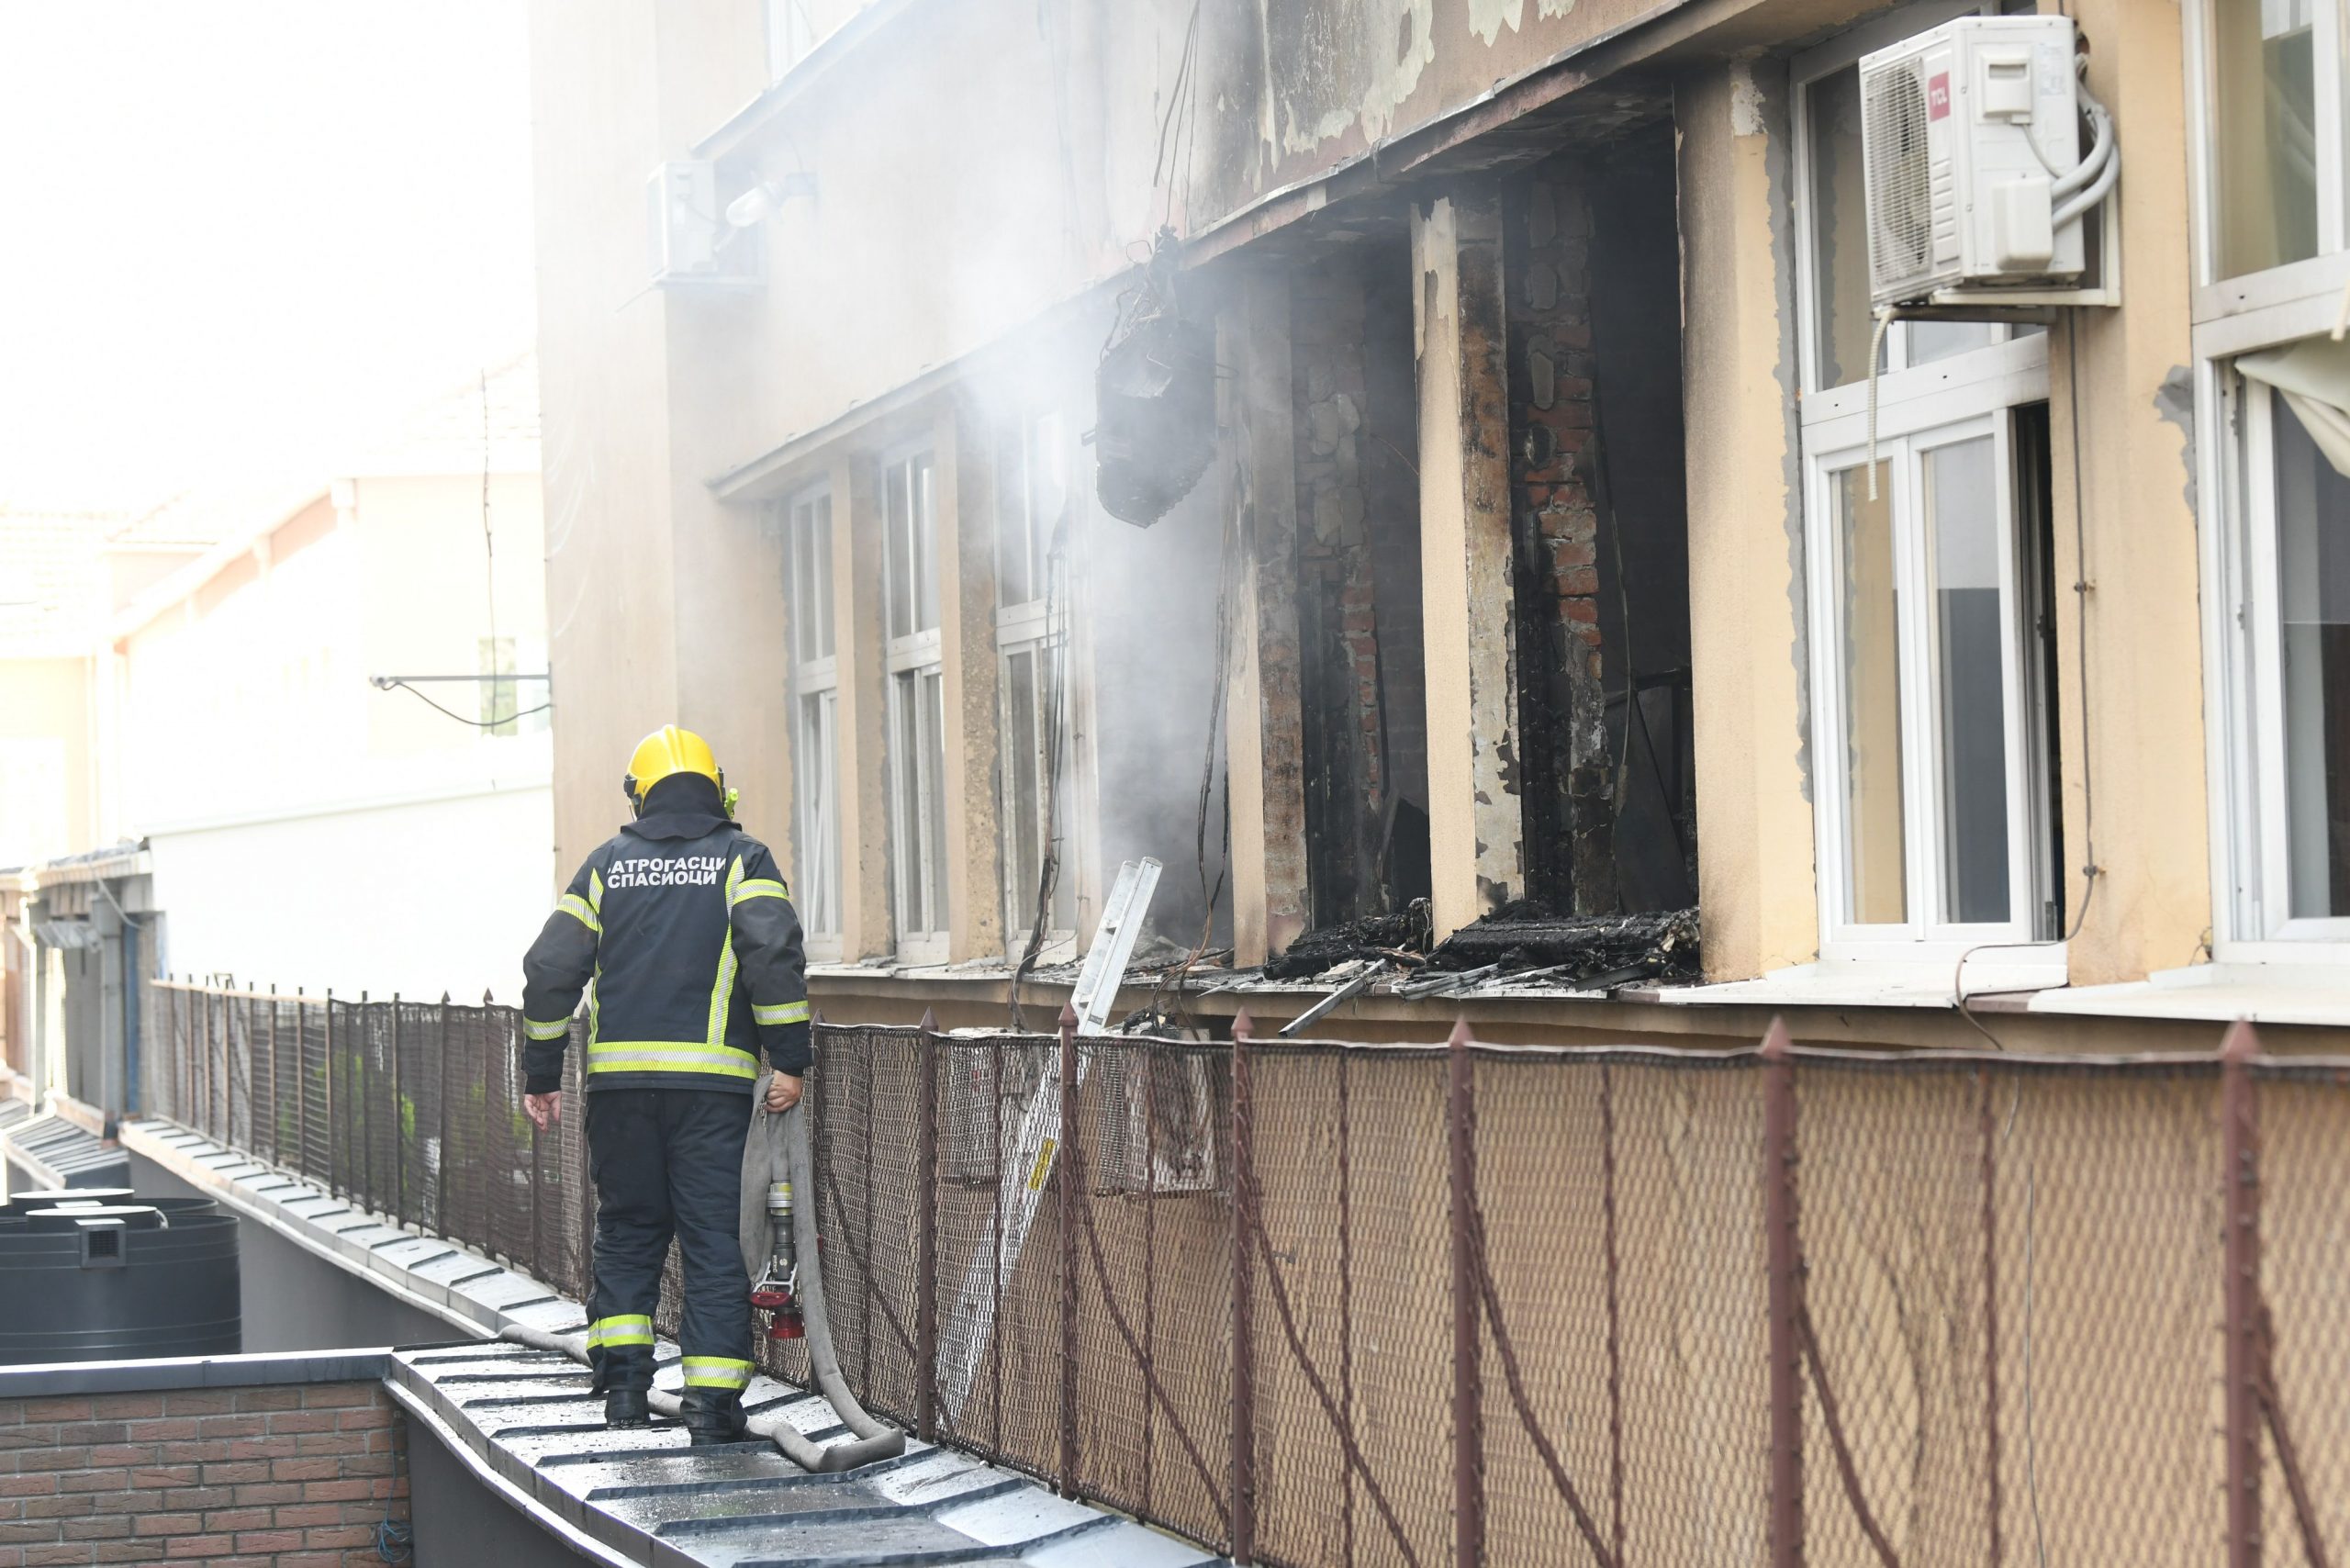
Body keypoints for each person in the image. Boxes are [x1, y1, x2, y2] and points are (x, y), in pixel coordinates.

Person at [518, 724, 811, 1443]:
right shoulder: (744, 860)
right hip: (711, 1095)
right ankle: (711, 1408)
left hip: (618, 1094)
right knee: (712, 1241)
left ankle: (623, 1389)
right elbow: (772, 954)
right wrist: (790, 1059)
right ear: (718, 789)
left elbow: (551, 971)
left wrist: (542, 1073)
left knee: (626, 1230)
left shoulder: (605, 867)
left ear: (640, 794)